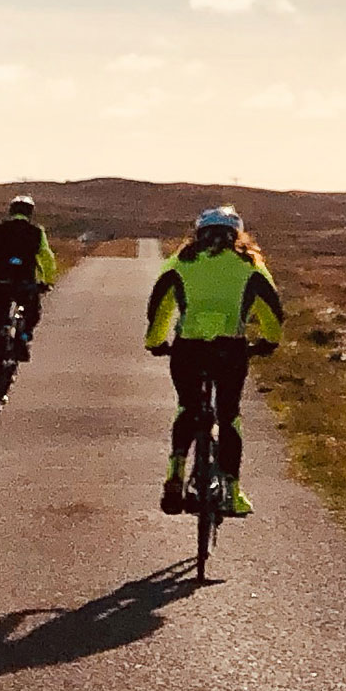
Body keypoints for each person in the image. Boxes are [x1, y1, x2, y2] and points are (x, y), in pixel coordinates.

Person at [145, 206, 283, 518]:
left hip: (188, 350)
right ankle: (233, 493)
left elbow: (160, 304)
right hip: (229, 351)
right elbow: (271, 309)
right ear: (238, 235)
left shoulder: (181, 261)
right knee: (229, 416)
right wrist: (269, 341)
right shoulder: (251, 265)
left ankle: (175, 471)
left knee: (188, 409)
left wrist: (155, 341)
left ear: (199, 233)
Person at [0, 195, 60, 371]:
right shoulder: (36, 231)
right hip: (25, 283)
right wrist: (48, 280)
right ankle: (24, 337)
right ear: (30, 213)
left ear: (11, 211)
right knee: (32, 313)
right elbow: (47, 258)